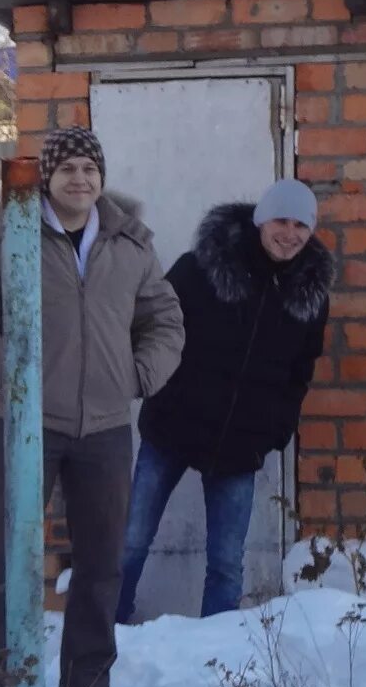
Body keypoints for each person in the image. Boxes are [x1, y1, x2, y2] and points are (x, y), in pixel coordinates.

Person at [0, 126, 186, 687]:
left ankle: (88, 676)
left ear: (101, 178)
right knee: (5, 546)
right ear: (49, 178)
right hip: (29, 419)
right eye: (67, 170)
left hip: (105, 424)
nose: (79, 179)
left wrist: (137, 376)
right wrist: (13, 373)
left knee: (102, 555)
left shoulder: (129, 243)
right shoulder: (9, 236)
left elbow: (164, 318)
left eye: (89, 169)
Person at [117, 180, 332, 621]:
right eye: (280, 221)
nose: (288, 234)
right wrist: (158, 388)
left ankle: (218, 661)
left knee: (226, 565)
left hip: (241, 444)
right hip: (172, 427)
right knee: (132, 542)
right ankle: (103, 635)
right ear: (260, 220)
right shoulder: (201, 268)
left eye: (300, 225)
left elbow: (301, 370)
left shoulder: (308, 293)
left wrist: (278, 428)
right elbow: (155, 329)